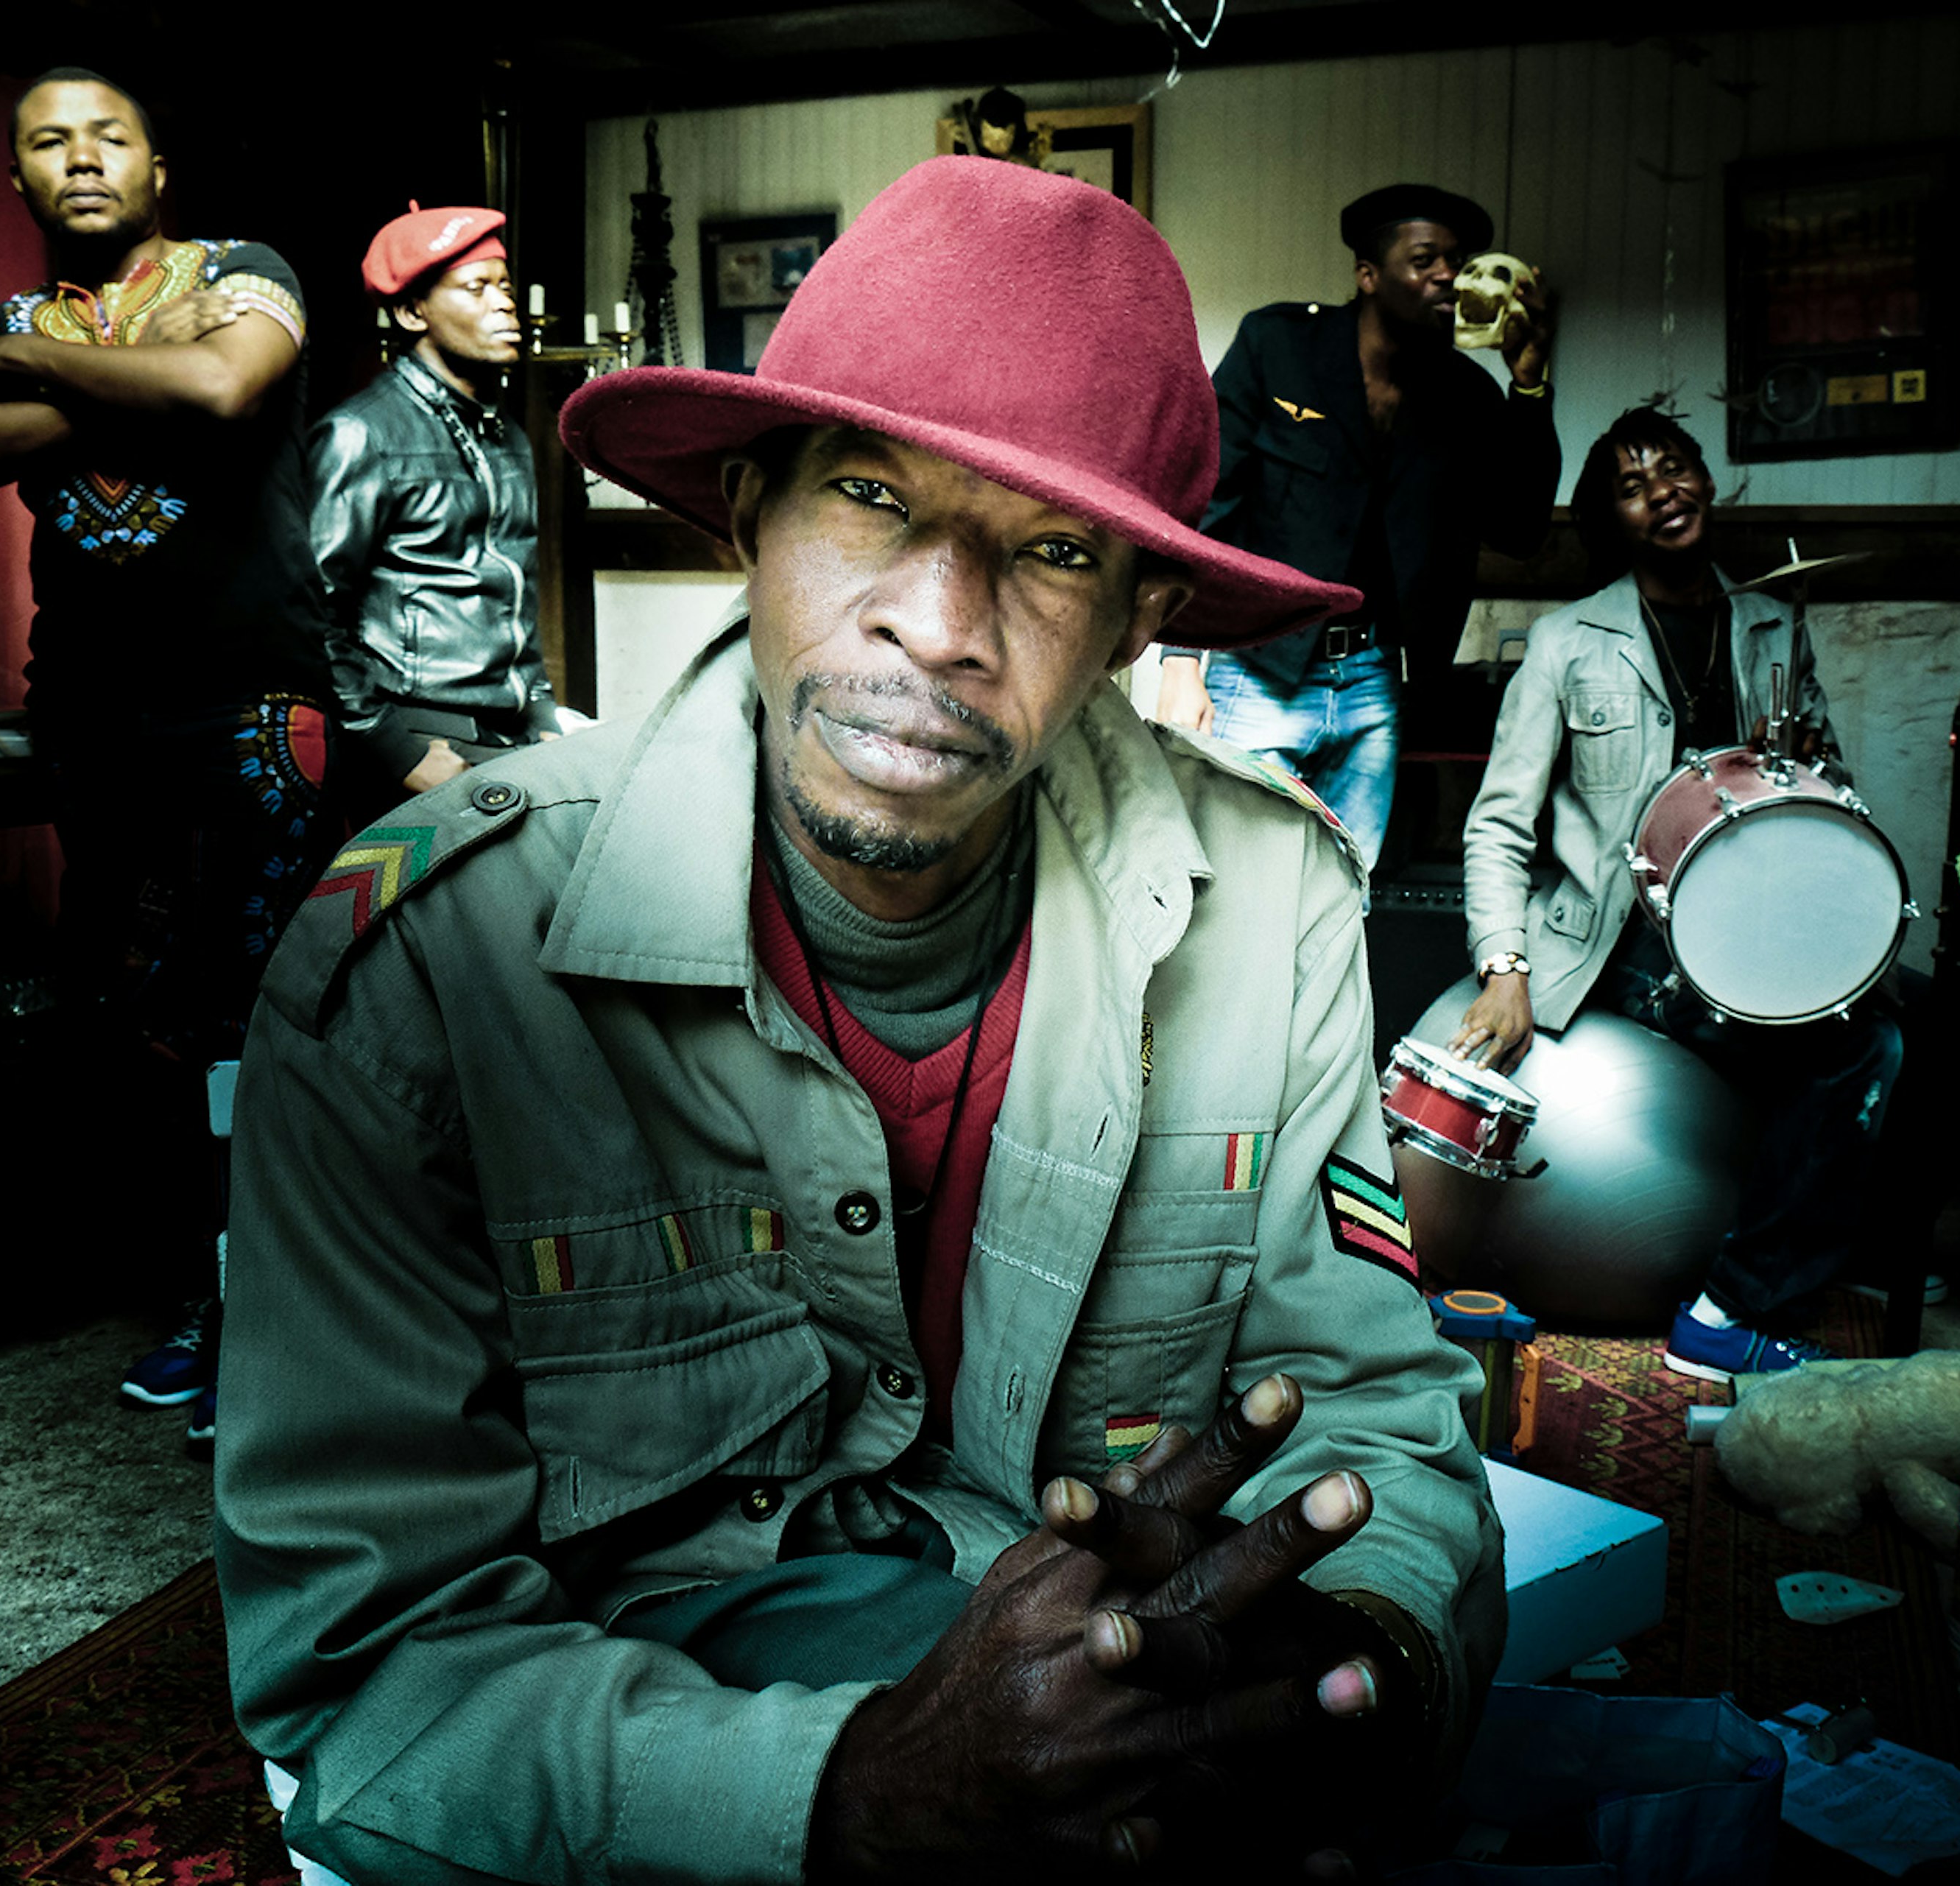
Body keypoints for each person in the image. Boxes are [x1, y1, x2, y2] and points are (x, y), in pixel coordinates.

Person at [214, 157, 1504, 1885]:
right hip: (647, 1770)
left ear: (1139, 616)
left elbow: (1373, 1415)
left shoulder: (1267, 900)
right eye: (874, 502)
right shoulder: (427, 956)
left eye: (1050, 550)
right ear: (746, 513)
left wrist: (1346, 1672)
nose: (938, 625)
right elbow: (362, 1668)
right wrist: (847, 1789)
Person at [0, 66, 331, 1424]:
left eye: (109, 137)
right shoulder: (10, 316)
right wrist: (94, 372)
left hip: (251, 708)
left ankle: (276, 1319)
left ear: (157, 169)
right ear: (20, 180)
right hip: (93, 716)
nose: (80, 158)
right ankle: (199, 1298)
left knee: (260, 1021)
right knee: (139, 1022)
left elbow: (220, 384)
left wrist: (30, 374)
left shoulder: (243, 270)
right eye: (48, 142)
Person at [1446, 408, 1903, 1381]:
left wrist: (1814, 783)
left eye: (1676, 465)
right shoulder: (1569, 642)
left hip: (1756, 928)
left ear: (1706, 480)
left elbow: (1819, 791)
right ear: (1609, 518)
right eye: (1631, 480)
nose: (1662, 489)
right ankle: (1727, 1312)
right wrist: (1504, 965)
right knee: (1850, 1048)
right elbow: (1496, 824)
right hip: (1622, 948)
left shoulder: (1776, 621)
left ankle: (1793, 1268)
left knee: (1899, 1012)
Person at [1155, 183, 1560, 862]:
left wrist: (1529, 383)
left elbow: (1520, 529)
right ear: (1368, 275)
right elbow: (1205, 501)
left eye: (1456, 263)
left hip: (1377, 679)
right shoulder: (1277, 345)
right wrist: (1180, 658)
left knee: (1347, 897)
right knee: (1237, 880)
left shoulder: (1466, 394)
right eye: (1425, 260)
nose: (1447, 278)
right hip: (1257, 667)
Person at [307, 203, 560, 824]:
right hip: (419, 736)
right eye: (477, 288)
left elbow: (514, 599)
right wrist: (398, 752)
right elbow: (311, 612)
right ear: (411, 311)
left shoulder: (510, 440)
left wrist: (546, 720)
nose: (506, 305)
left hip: (509, 734)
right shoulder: (360, 433)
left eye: (505, 287)